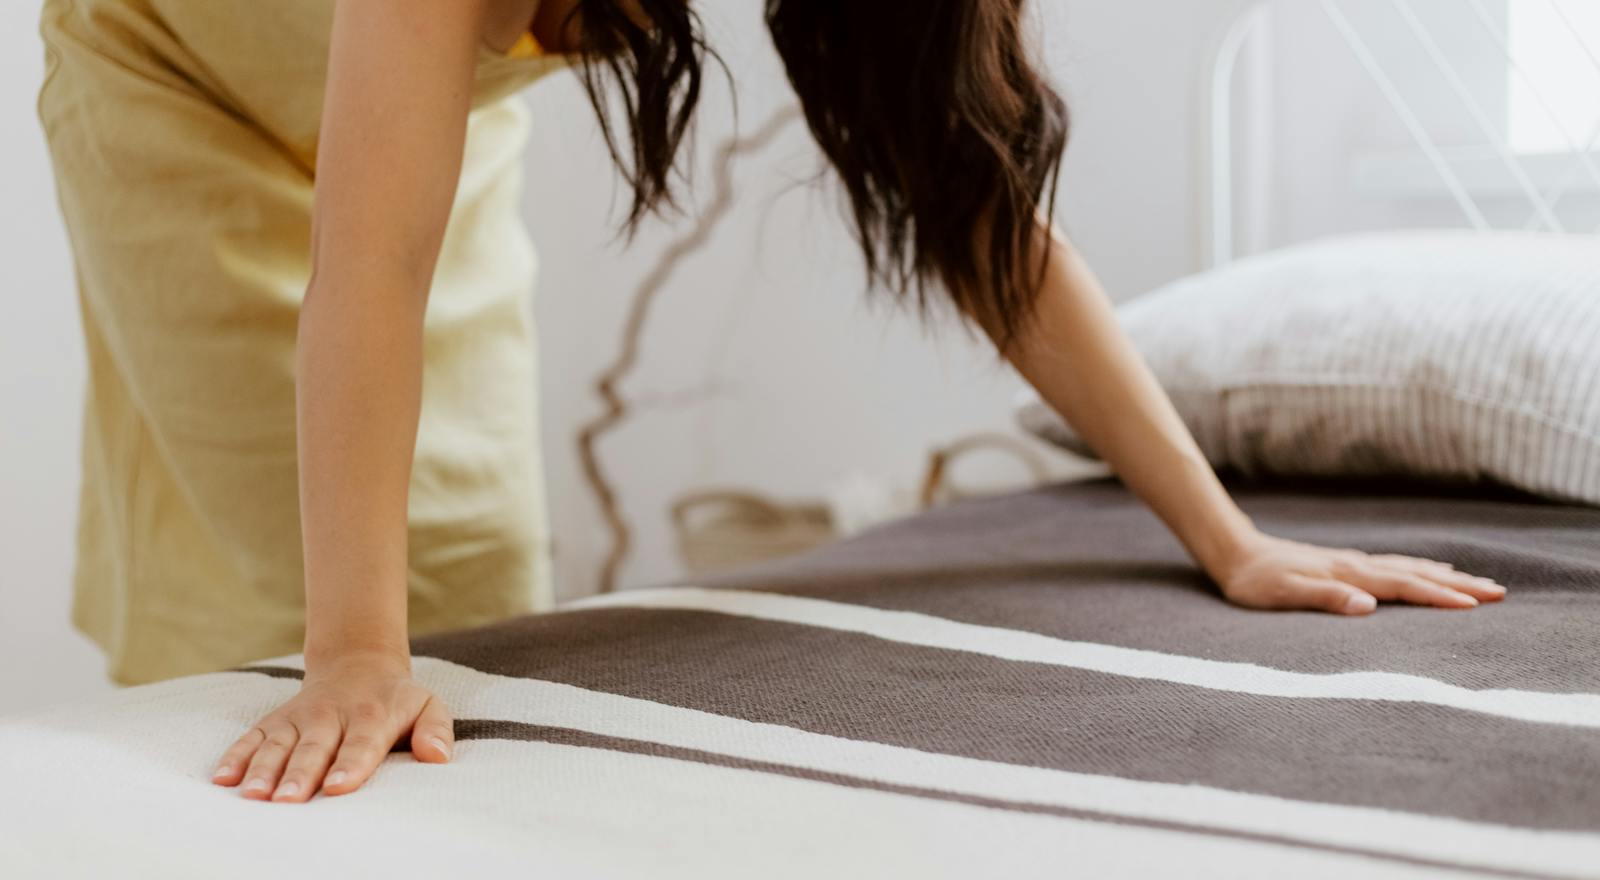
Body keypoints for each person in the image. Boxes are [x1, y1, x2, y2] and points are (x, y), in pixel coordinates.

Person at [38, 0, 1507, 804]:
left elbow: (983, 217)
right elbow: (367, 267)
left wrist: (1228, 538)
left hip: (411, 108)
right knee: (286, 611)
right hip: (185, 73)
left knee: (472, 612)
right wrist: (352, 647)